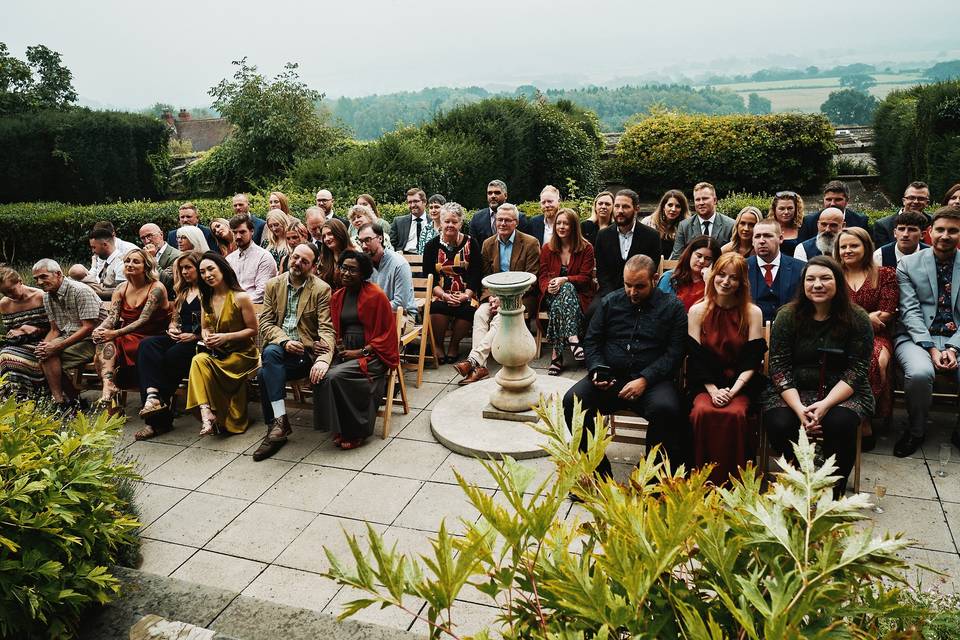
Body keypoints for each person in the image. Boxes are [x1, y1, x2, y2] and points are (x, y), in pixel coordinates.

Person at [563, 255, 688, 479]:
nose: (632, 292)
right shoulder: (610, 302)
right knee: (573, 401)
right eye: (627, 285)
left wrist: (645, 379)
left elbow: (675, 353)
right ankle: (597, 473)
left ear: (655, 279)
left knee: (667, 410)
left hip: (652, 382)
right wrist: (597, 370)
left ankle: (652, 479)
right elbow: (592, 341)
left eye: (639, 286)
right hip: (611, 378)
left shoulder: (673, 308)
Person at [762, 255, 874, 497]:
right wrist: (799, 408)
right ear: (802, 284)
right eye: (810, 279)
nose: (817, 284)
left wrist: (824, 405)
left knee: (840, 423)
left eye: (825, 278)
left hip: (842, 391)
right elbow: (779, 365)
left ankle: (835, 490)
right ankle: (800, 480)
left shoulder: (858, 318)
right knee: (779, 422)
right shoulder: (787, 316)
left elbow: (858, 369)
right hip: (793, 389)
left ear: (838, 282)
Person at [686, 253, 765, 485]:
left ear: (742, 282)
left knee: (736, 413)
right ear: (712, 276)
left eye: (733, 278)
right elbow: (696, 357)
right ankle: (702, 480)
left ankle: (735, 482)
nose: (726, 282)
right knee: (701, 412)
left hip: (741, 383)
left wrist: (732, 391)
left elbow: (753, 358)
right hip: (705, 382)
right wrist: (713, 391)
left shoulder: (752, 312)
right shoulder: (697, 311)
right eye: (721, 275)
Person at [254, 242, 335, 461]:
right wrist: (284, 341)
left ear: (314, 266)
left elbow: (327, 329)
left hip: (303, 356)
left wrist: (323, 360)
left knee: (264, 372)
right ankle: (278, 425)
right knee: (271, 353)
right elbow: (266, 323)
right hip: (281, 350)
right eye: (295, 257)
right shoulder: (273, 285)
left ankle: (276, 428)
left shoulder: (321, 289)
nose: (297, 263)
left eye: (304, 261)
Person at [312, 250, 399, 449]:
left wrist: (362, 352)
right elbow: (331, 329)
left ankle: (356, 431)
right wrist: (325, 343)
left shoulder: (376, 295)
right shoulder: (337, 296)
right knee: (320, 374)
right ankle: (340, 428)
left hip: (373, 355)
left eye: (352, 270)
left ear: (363, 274)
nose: (346, 273)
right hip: (345, 352)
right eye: (343, 268)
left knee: (335, 376)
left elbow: (388, 335)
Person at [892, 206, 960, 457]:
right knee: (919, 373)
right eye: (940, 229)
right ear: (929, 232)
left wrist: (954, 347)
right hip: (916, 336)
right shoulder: (908, 265)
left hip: (957, 336)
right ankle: (916, 430)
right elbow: (909, 311)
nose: (945, 235)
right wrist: (930, 347)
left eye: (953, 231)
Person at [452, 203, 540, 385]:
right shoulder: (488, 244)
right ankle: (480, 367)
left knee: (502, 317)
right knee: (480, 314)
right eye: (499, 220)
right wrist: (492, 297)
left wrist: (505, 299)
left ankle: (473, 360)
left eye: (507, 220)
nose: (502, 223)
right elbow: (485, 276)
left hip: (521, 297)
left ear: (515, 222)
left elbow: (532, 279)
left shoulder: (530, 243)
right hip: (493, 296)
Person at [834, 227, 898, 447]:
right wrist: (863, 317)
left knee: (875, 360)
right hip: (838, 334)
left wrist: (859, 319)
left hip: (875, 335)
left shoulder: (885, 274)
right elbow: (830, 310)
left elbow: (887, 310)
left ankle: (865, 420)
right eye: (843, 246)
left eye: (854, 245)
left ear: (866, 247)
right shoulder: (833, 274)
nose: (848, 250)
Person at [185, 251, 260, 435]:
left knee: (205, 367)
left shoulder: (240, 297)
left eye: (211, 269)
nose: (207, 275)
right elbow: (204, 327)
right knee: (198, 361)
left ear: (223, 269)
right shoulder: (206, 298)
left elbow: (253, 330)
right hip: (218, 352)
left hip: (242, 354)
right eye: (202, 272)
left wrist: (226, 337)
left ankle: (219, 415)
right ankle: (206, 412)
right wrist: (207, 336)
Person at [91, 248, 170, 411]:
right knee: (102, 342)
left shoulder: (156, 287)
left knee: (111, 342)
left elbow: (143, 320)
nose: (130, 264)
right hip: (127, 333)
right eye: (127, 261)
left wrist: (114, 333)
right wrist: (100, 329)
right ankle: (109, 386)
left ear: (146, 266)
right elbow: (112, 317)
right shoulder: (121, 288)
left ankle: (112, 397)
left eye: (135, 261)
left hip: (151, 337)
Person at [135, 252, 204, 440]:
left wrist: (195, 335)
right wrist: (172, 327)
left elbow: (216, 324)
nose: (184, 272)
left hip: (200, 341)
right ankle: (152, 397)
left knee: (173, 355)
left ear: (199, 267)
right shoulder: (182, 291)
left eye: (188, 267)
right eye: (181, 268)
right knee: (147, 345)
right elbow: (174, 319)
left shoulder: (208, 291)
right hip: (180, 336)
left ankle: (156, 420)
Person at [33, 259, 101, 408]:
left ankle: (64, 402)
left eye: (43, 276)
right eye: (36, 279)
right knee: (44, 353)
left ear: (58, 274)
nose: (39, 282)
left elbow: (89, 327)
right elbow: (55, 330)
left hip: (94, 339)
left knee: (49, 357)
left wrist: (56, 347)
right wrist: (44, 345)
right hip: (71, 337)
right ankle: (70, 401)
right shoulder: (47, 296)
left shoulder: (79, 290)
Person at [538, 208, 596, 375]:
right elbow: (542, 276)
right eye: (559, 223)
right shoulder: (547, 248)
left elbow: (585, 278)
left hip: (579, 295)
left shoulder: (586, 248)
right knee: (560, 297)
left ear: (574, 226)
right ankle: (573, 339)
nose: (561, 227)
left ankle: (557, 356)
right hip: (552, 295)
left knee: (566, 290)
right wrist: (548, 286)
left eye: (566, 223)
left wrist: (565, 279)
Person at [423, 202, 482, 363]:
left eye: (454, 222)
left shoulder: (472, 243)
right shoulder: (431, 246)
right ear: (440, 223)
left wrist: (466, 295)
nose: (450, 225)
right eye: (447, 221)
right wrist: (443, 295)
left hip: (465, 292)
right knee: (437, 307)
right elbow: (429, 276)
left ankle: (454, 345)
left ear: (461, 223)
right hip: (440, 292)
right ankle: (439, 345)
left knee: (469, 308)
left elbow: (476, 274)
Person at [592, 189, 661, 315]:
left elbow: (650, 271)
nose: (620, 211)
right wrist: (613, 296)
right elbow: (602, 274)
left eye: (625, 207)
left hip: (640, 293)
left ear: (636, 209)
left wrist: (631, 293)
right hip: (609, 292)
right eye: (617, 206)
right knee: (592, 314)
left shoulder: (652, 236)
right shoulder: (603, 235)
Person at [0, 266, 50, 398]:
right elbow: (9, 331)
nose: (10, 296)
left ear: (20, 281)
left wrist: (36, 330)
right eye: (5, 293)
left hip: (44, 342)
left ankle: (29, 396)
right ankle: (13, 399)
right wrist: (17, 331)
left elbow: (57, 327)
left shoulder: (41, 297)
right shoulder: (4, 304)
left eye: (11, 290)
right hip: (19, 345)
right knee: (5, 356)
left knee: (5, 357)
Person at [359, 223, 417, 333]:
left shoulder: (399, 264)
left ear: (380, 238)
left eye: (367, 240)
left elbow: (400, 303)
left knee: (382, 332)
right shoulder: (363, 264)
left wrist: (372, 310)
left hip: (402, 315)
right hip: (373, 316)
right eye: (361, 241)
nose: (363, 246)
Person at [747, 219, 804, 323]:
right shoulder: (742, 268)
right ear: (752, 241)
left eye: (768, 236)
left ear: (781, 238)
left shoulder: (801, 268)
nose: (762, 241)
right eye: (757, 236)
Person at [670, 183, 734, 259]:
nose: (701, 203)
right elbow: (677, 257)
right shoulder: (684, 226)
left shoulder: (730, 225)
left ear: (715, 200)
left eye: (705, 198)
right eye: (697, 199)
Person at [658, 236, 722, 311]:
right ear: (690, 254)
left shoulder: (716, 282)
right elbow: (658, 310)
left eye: (708, 259)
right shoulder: (669, 277)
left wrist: (709, 281)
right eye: (699, 256)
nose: (702, 261)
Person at [226, 213, 277, 303]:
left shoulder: (264, 257)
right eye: (235, 232)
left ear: (252, 231)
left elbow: (261, 293)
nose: (238, 236)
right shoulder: (229, 259)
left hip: (255, 309)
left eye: (242, 232)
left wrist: (236, 304)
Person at [796, 180, 869, 242]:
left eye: (838, 200)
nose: (832, 204)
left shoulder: (860, 221)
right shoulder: (809, 221)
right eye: (828, 199)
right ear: (823, 199)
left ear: (847, 201)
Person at [873, 182, 932, 249]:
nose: (915, 202)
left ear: (927, 203)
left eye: (921, 199)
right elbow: (884, 254)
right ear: (904, 201)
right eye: (911, 198)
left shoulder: (933, 222)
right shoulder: (883, 225)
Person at [469, 180, 529, 245]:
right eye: (489, 193)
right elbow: (473, 246)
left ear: (505, 195)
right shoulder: (477, 218)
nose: (493, 196)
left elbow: (524, 244)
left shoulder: (520, 217)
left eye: (497, 193)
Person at [641, 189, 690, 259]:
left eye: (678, 206)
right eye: (670, 205)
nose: (673, 209)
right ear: (663, 207)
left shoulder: (686, 226)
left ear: (682, 209)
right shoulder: (648, 222)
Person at [86, 225, 128, 300]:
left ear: (105, 245)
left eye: (94, 247)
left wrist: (91, 292)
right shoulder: (107, 260)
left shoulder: (121, 263)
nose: (93, 251)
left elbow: (123, 292)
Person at [139, 222, 181, 296]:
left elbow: (166, 282)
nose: (147, 241)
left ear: (161, 234)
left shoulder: (176, 256)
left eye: (150, 236)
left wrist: (152, 258)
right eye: (143, 238)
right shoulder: (142, 255)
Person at [390, 188, 429, 254]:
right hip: (404, 258)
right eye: (410, 202)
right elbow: (391, 245)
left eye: (415, 201)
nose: (413, 205)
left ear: (424, 202)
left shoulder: (433, 221)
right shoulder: (398, 222)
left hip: (428, 257)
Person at [318, 218, 352, 292]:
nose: (327, 239)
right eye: (324, 236)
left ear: (339, 233)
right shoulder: (324, 259)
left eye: (330, 234)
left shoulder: (354, 256)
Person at [768, 191, 805, 257]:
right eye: (781, 208)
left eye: (790, 208)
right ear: (774, 210)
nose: (786, 212)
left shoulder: (804, 228)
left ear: (796, 209)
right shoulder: (767, 229)